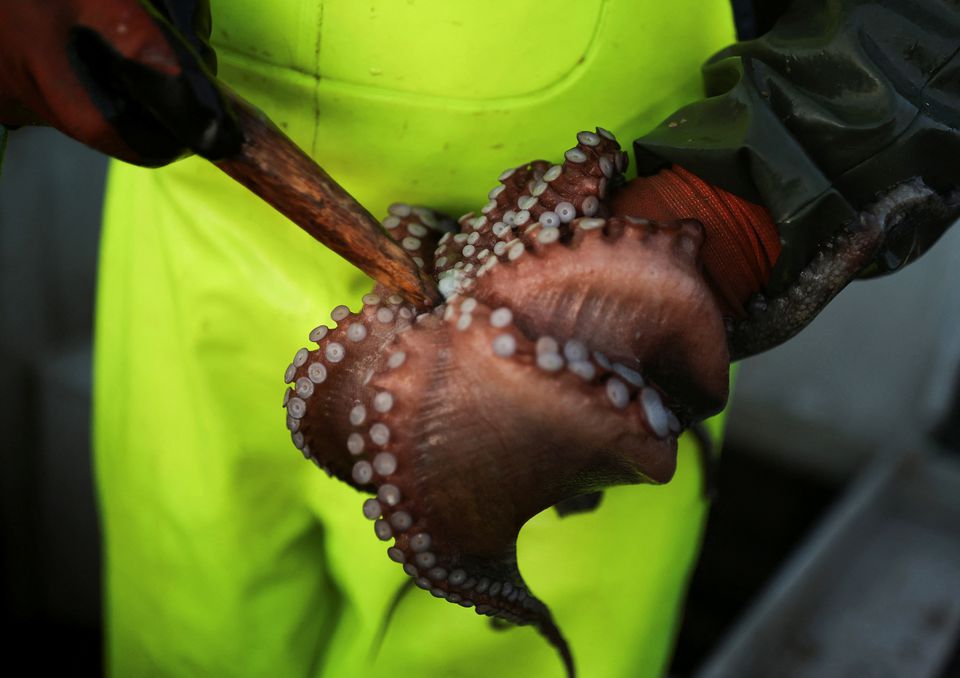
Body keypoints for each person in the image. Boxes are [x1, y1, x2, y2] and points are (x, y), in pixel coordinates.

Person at [1, 1, 956, 676]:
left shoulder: (650, 280)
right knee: (190, 625)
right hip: (204, 234)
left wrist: (735, 212)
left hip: (617, 292)